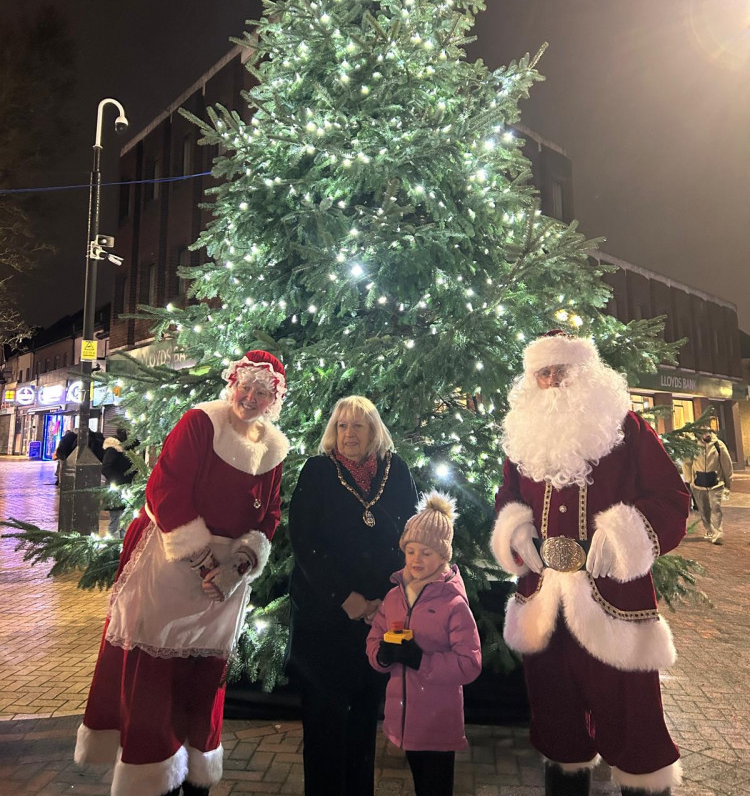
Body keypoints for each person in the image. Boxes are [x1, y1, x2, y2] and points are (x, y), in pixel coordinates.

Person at [75, 350, 290, 796]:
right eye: (245, 386)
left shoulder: (274, 448)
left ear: (274, 399)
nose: (250, 397)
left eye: (262, 392)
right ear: (233, 383)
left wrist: (239, 565)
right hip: (172, 564)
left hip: (225, 584)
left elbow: (269, 514)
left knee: (205, 677)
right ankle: (149, 778)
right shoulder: (200, 423)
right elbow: (165, 489)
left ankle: (196, 778)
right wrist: (204, 561)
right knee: (154, 678)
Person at [490, 331, 689, 796]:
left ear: (586, 373)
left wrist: (624, 533)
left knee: (635, 730)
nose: (552, 380)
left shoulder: (627, 428)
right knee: (558, 725)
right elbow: (509, 496)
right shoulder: (522, 435)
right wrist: (516, 529)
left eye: (561, 370)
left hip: (615, 604)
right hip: (544, 603)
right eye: (543, 372)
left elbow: (672, 499)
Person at [286, 395, 418, 796]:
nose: (348, 434)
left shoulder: (397, 472)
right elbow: (305, 541)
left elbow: (411, 536)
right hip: (324, 620)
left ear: (374, 431)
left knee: (363, 721)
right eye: (341, 426)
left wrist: (385, 600)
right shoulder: (318, 471)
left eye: (358, 426)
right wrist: (347, 599)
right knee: (325, 726)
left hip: (379, 619)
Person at [366, 491, 481, 796]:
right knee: (420, 781)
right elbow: (374, 636)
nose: (417, 559)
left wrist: (421, 660)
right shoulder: (394, 596)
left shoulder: (453, 604)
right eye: (411, 551)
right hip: (404, 719)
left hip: (438, 722)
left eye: (427, 553)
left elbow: (470, 663)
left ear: (444, 557)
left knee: (436, 785)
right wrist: (382, 655)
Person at [683, 430, 733, 545]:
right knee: (704, 510)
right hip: (698, 485)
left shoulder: (718, 445)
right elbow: (687, 463)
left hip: (716, 484)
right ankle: (709, 529)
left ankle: (718, 534)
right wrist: (690, 480)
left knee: (716, 507)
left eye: (709, 431)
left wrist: (727, 481)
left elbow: (727, 464)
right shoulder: (693, 446)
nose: (707, 434)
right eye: (704, 431)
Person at [102, 427, 137, 537]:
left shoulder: (129, 449)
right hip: (117, 490)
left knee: (124, 521)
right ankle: (112, 549)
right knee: (116, 521)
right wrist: (119, 482)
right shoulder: (114, 448)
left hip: (127, 489)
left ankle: (122, 546)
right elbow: (106, 468)